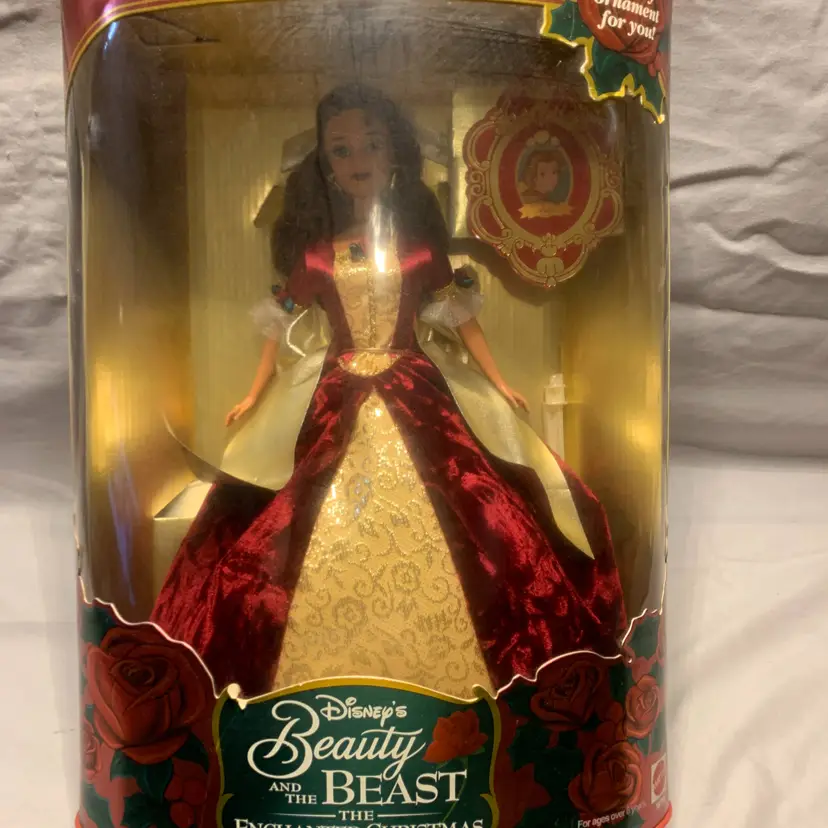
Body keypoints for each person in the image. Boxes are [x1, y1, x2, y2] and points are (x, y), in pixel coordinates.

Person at [151, 83, 626, 697]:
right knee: (296, 498)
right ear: (327, 164)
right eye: (342, 149)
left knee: (471, 495)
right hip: (335, 389)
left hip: (415, 384)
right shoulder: (318, 257)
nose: (359, 160)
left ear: (395, 154)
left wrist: (499, 381)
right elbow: (278, 321)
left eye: (371, 145)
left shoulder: (420, 251)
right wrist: (253, 393)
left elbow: (462, 320)